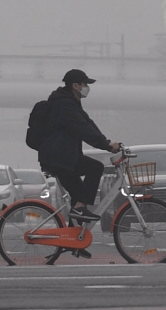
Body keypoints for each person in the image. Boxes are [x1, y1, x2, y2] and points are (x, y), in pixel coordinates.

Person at [38, 69, 120, 258]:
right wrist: (106, 145)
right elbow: (82, 129)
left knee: (78, 198)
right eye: (85, 84)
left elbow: (87, 123)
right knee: (95, 167)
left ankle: (73, 242)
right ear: (75, 86)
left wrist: (106, 142)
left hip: (62, 156)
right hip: (58, 157)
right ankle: (79, 209)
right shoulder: (64, 105)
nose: (87, 88)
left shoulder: (70, 103)